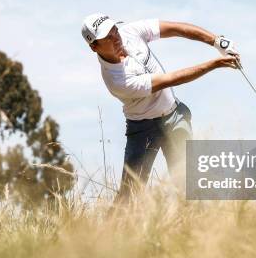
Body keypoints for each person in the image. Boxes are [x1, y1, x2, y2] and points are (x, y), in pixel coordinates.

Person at [81, 13, 241, 203]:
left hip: (174, 116)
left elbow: (175, 28)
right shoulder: (116, 80)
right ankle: (109, 231)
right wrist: (215, 64)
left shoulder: (129, 32)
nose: (116, 37)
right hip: (143, 130)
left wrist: (216, 41)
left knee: (187, 180)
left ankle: (191, 227)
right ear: (94, 47)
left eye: (114, 29)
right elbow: (170, 79)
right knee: (130, 194)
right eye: (107, 37)